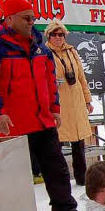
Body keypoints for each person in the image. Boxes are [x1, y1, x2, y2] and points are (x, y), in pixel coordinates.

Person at [0, 0, 89, 211]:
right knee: (14, 177)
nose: (31, 22)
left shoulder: (40, 48)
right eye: (26, 18)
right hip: (13, 125)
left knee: (57, 170)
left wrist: (55, 108)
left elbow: (49, 81)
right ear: (10, 18)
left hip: (43, 121)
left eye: (33, 18)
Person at [43, 20, 94, 184]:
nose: (58, 38)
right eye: (54, 35)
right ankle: (59, 179)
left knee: (79, 141)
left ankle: (82, 177)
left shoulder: (72, 52)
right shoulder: (44, 52)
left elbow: (81, 77)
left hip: (77, 101)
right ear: (48, 36)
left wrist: (87, 100)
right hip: (59, 104)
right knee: (56, 143)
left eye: (61, 34)